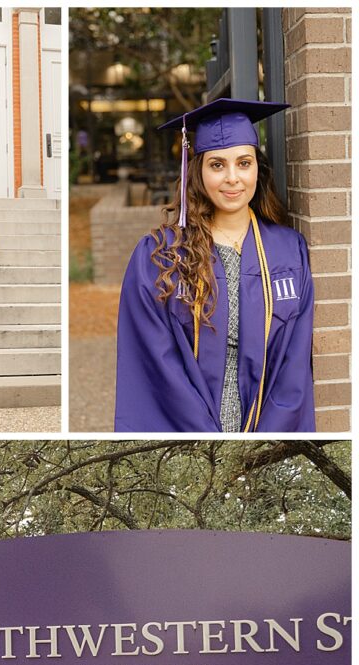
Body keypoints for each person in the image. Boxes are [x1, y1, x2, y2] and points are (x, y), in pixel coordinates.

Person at [115, 98, 316, 432]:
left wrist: (265, 439)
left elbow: (295, 366)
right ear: (198, 171)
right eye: (218, 165)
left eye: (244, 163)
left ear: (257, 169)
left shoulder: (288, 252)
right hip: (186, 425)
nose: (232, 178)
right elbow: (154, 360)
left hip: (267, 426)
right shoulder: (161, 256)